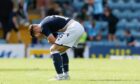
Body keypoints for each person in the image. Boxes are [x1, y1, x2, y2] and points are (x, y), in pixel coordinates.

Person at [29, 15, 85, 80]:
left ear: (35, 28)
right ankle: (66, 75)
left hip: (73, 28)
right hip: (78, 27)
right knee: (61, 51)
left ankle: (60, 76)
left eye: (36, 34)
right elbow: (56, 39)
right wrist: (50, 40)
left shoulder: (42, 27)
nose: (39, 36)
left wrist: (48, 39)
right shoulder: (45, 22)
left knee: (53, 49)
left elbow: (53, 41)